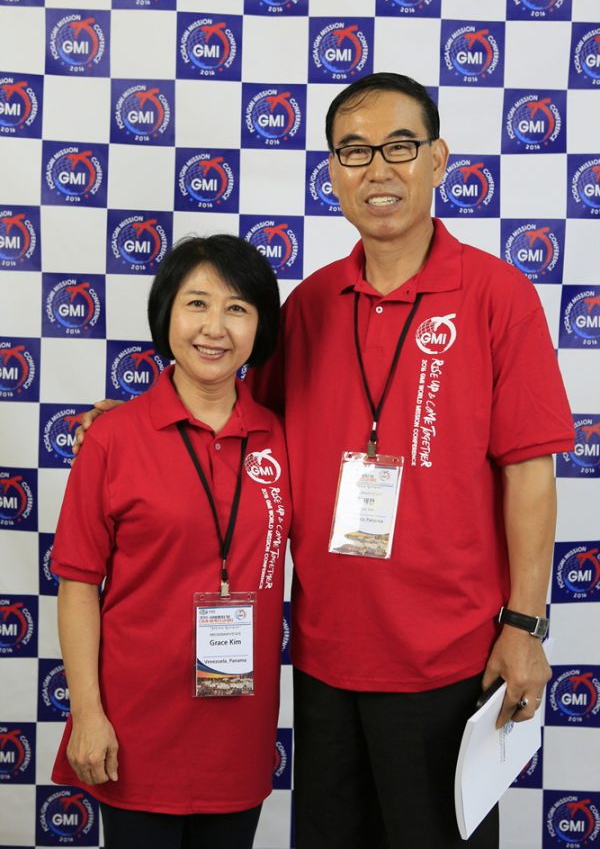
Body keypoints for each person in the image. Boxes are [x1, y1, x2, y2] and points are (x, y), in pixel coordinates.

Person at [75, 74, 574, 848]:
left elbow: (530, 471)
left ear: (438, 159)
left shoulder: (496, 296)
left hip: (448, 658)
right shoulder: (308, 306)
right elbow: (237, 419)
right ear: (333, 171)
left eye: (400, 147)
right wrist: (136, 423)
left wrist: (523, 623)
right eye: (354, 151)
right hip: (323, 659)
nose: (378, 169)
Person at [50, 235, 291, 849]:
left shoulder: (284, 438)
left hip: (238, 735)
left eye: (237, 308)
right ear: (166, 314)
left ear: (260, 326)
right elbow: (77, 586)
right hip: (134, 731)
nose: (215, 328)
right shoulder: (113, 438)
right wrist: (88, 714)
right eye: (197, 304)